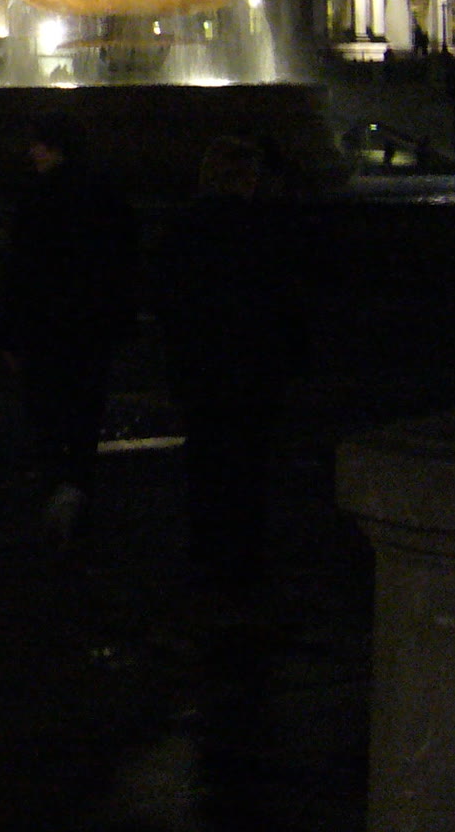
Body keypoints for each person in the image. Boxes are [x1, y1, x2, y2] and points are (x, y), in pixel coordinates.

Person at [153, 136, 306, 593]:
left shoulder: (184, 227)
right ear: (247, 178)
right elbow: (285, 300)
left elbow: (167, 298)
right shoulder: (264, 228)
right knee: (249, 460)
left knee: (204, 456)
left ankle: (206, 547)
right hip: (253, 366)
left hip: (200, 365)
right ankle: (244, 553)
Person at [0, 116, 139, 551]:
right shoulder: (105, 194)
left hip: (44, 331)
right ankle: (77, 494)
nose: (32, 152)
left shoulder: (36, 197)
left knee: (45, 417)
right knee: (84, 416)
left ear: (55, 146)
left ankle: (55, 493)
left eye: (38, 145)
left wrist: (9, 334)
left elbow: (20, 272)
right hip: (90, 329)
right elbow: (124, 261)